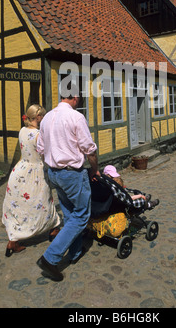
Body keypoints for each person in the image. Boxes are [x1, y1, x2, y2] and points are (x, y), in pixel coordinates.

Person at [36, 94, 100, 282]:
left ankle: (75, 251)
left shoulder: (47, 117)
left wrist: (54, 160)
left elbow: (40, 148)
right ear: (75, 97)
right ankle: (50, 258)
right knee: (81, 215)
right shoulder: (76, 117)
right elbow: (89, 149)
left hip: (54, 173)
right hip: (71, 173)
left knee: (70, 213)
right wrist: (95, 170)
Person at [2, 104, 61, 257]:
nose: (43, 118)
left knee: (20, 204)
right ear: (37, 117)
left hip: (21, 170)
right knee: (43, 201)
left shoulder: (22, 130)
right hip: (36, 172)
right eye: (42, 116)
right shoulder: (37, 134)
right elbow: (44, 154)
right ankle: (53, 227)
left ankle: (13, 239)